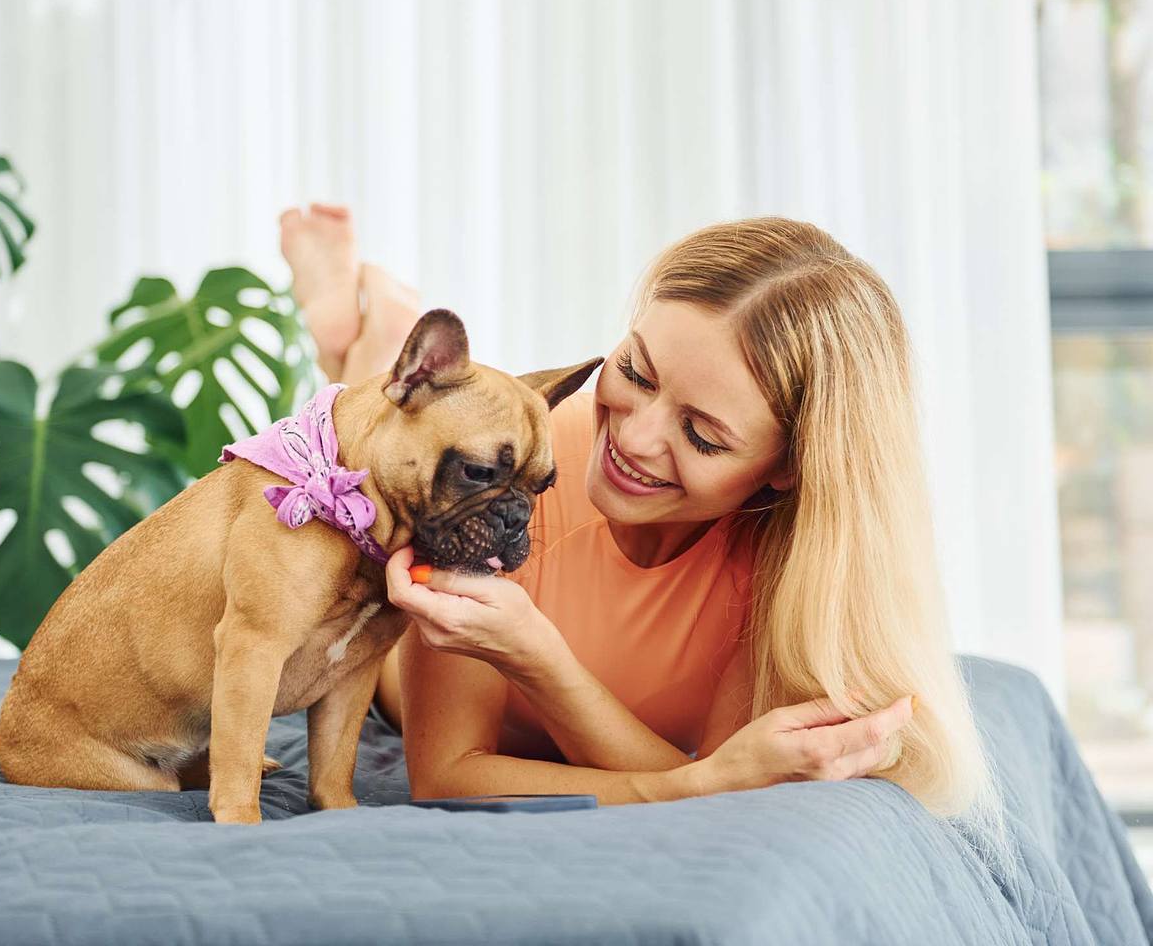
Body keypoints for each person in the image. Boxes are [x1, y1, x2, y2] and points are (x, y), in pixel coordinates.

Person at [279, 202, 1005, 843]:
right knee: (378, 438)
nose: (633, 439)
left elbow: (717, 783)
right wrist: (541, 659)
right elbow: (447, 773)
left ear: (787, 467)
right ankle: (367, 338)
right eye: (636, 372)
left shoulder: (791, 563)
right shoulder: (512, 478)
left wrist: (545, 662)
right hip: (401, 685)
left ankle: (376, 332)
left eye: (704, 436)